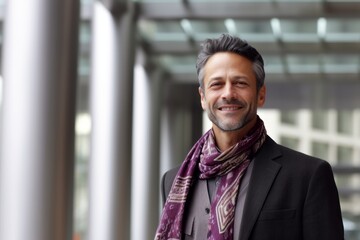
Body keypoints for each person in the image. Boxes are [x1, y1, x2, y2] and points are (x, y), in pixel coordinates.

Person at [154, 34, 344, 240]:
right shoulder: (173, 182)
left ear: (260, 94)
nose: (228, 93)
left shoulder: (308, 176)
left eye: (240, 83)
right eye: (217, 84)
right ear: (202, 97)